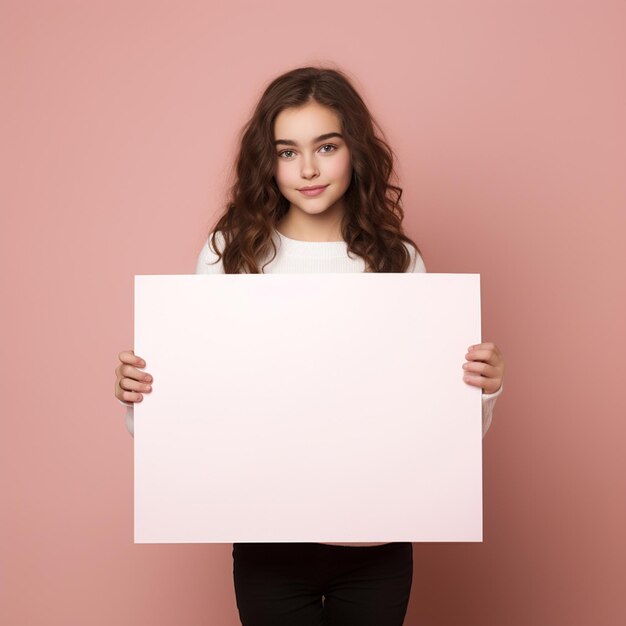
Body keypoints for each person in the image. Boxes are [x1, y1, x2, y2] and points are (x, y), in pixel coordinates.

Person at [114, 65, 505, 626]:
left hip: (377, 545)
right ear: (267, 160)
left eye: (326, 146)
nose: (310, 169)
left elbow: (438, 430)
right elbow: (192, 412)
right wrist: (140, 394)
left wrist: (482, 389)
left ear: (356, 151)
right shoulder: (231, 253)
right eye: (288, 151)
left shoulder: (396, 261)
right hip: (268, 543)